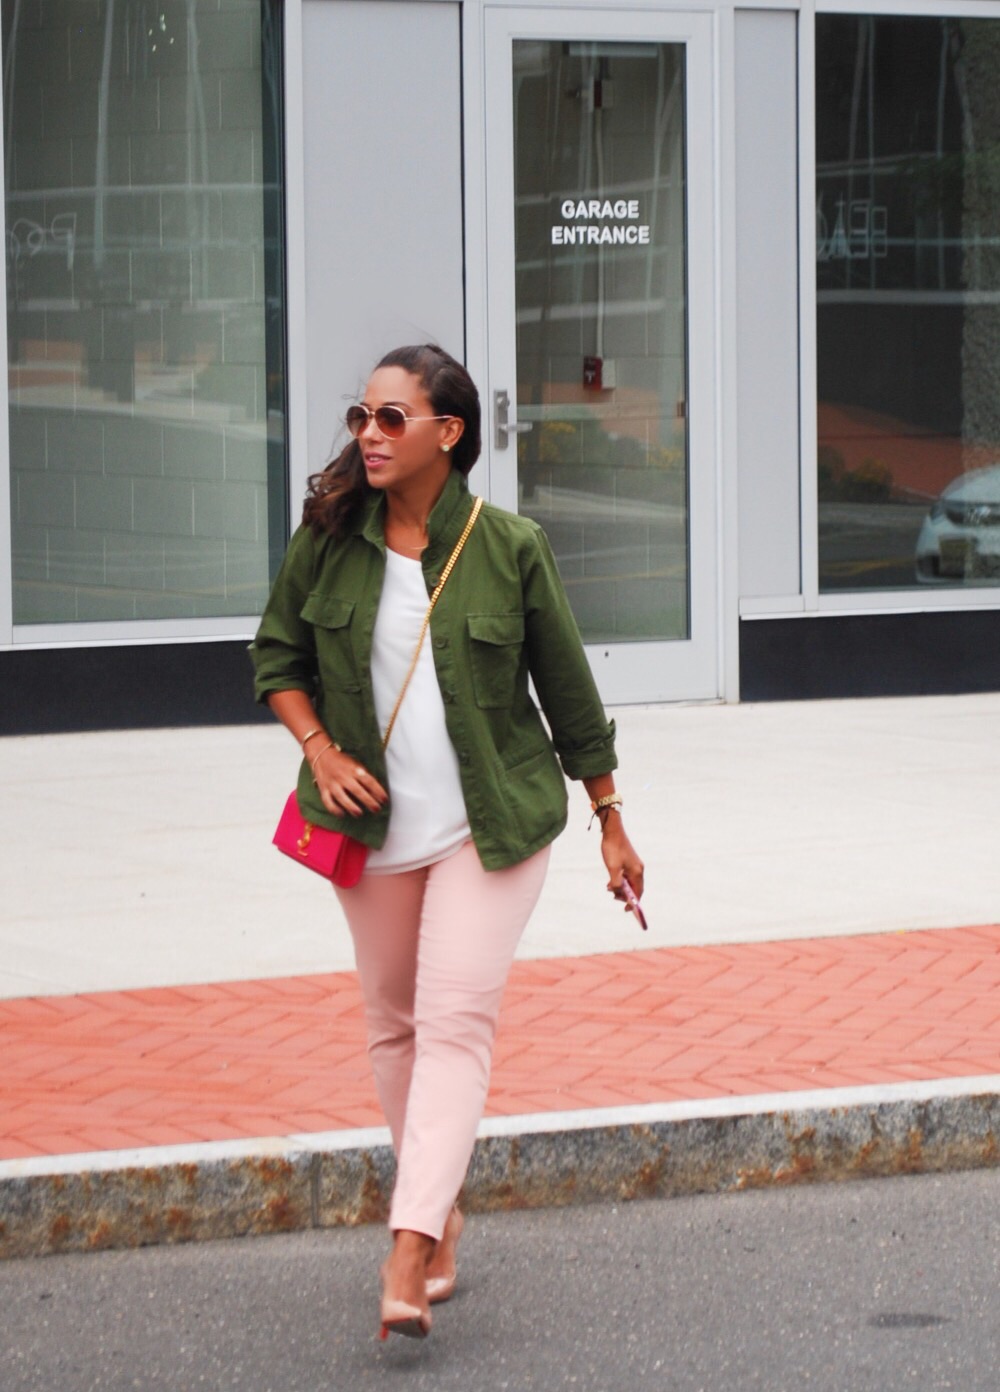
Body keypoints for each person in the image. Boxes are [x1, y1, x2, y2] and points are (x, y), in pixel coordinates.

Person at [251, 344, 644, 1340]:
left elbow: (568, 691)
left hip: (491, 824)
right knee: (392, 1025)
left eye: (392, 419)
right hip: (369, 827)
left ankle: (408, 1240)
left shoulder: (510, 546)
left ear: (447, 432)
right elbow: (276, 657)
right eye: (360, 418)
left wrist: (608, 816)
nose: (368, 436)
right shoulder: (330, 539)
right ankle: (444, 1207)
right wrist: (319, 749)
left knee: (455, 1021)